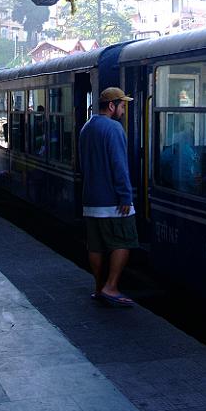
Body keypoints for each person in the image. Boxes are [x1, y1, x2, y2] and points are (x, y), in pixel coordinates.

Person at [79, 87, 137, 307]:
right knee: (124, 240)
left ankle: (98, 287)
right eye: (122, 105)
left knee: (95, 246)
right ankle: (111, 286)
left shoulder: (87, 127)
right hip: (112, 201)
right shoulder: (114, 129)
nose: (123, 110)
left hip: (91, 199)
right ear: (112, 106)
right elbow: (119, 165)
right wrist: (125, 196)